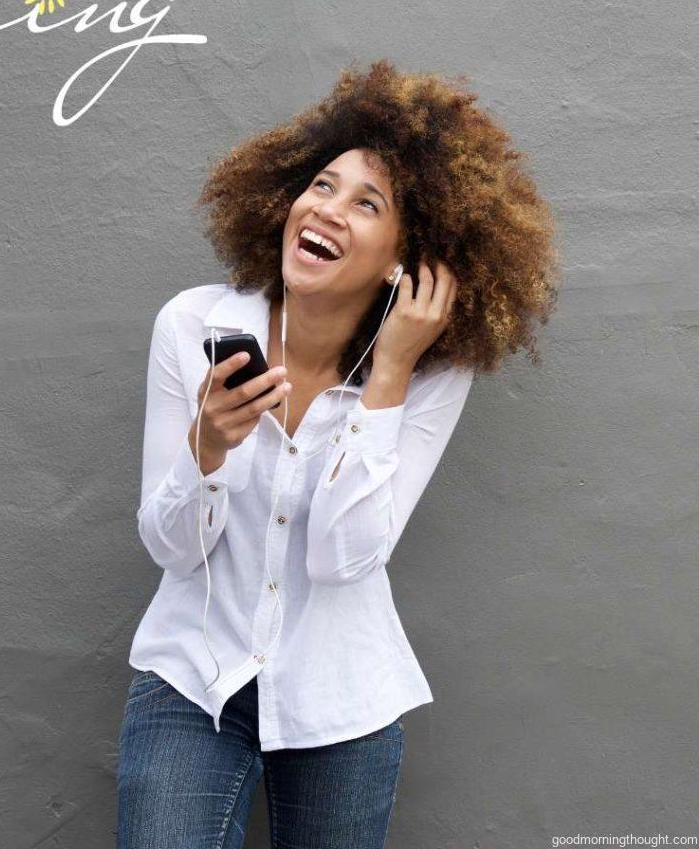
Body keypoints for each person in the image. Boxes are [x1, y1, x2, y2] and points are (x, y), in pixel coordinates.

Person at [116, 59, 561, 848]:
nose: (327, 210)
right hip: (193, 678)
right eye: (321, 185)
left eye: (367, 202)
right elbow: (169, 547)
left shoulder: (431, 373)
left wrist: (388, 376)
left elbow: (342, 559)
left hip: (341, 699)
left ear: (405, 253)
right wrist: (207, 447)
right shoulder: (192, 327)